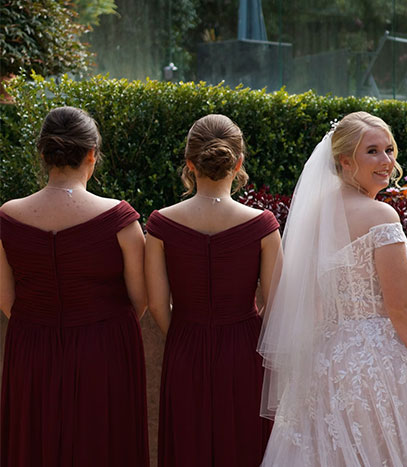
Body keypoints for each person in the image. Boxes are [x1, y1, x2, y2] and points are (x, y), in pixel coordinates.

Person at [258, 111, 407, 466]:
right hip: (374, 364)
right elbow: (401, 308)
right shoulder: (381, 217)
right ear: (345, 161)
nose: (386, 160)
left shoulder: (313, 215)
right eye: (372, 151)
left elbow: (307, 301)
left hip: (323, 364)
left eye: (389, 149)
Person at [0, 106, 149, 467]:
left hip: (31, 351)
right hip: (105, 352)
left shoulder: (7, 217)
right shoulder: (121, 221)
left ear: (42, 154)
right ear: (91, 155)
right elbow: (140, 301)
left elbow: (7, 302)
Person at [145, 114, 280, 466]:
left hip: (184, 345)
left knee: (188, 443)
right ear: (238, 163)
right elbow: (276, 303)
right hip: (246, 346)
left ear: (189, 164)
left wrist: (184, 336)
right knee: (243, 444)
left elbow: (158, 305)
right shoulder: (263, 225)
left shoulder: (160, 224)